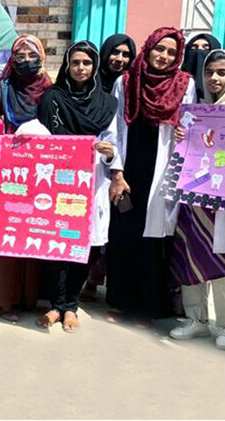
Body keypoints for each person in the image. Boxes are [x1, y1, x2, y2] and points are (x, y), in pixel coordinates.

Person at [169, 50, 225, 350]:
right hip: (196, 198)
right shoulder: (198, 113)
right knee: (191, 255)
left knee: (223, 263)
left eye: (222, 72)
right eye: (210, 73)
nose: (215, 78)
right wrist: (181, 133)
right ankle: (196, 319)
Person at [107, 27, 195, 322]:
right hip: (131, 166)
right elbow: (115, 127)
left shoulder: (185, 84)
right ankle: (121, 302)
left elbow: (191, 123)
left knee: (156, 238)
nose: (164, 56)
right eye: (160, 49)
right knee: (126, 232)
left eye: (171, 52)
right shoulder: (127, 81)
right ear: (149, 47)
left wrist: (187, 132)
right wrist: (117, 172)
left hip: (164, 169)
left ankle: (150, 305)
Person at [34, 41, 119, 332]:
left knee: (86, 246)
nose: (81, 68)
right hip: (58, 183)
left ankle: (72, 304)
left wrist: (109, 152)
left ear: (94, 67)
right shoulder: (52, 99)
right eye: (75, 63)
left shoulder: (107, 103)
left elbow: (114, 143)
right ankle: (57, 305)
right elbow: (40, 139)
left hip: (92, 182)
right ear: (67, 67)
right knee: (58, 243)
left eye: (87, 63)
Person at [0, 34, 52, 320]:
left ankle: (27, 299)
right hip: (5, 169)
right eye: (19, 56)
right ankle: (1, 300)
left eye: (32, 56)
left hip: (38, 173)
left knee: (31, 232)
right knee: (2, 232)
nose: (26, 61)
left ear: (42, 58)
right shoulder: (3, 87)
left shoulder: (50, 90)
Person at [81, 33, 137, 299]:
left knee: (116, 222)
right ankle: (87, 279)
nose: (120, 59)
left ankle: (101, 278)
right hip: (90, 163)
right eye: (115, 52)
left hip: (122, 162)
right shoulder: (89, 84)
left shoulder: (133, 85)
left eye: (126, 55)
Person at [180, 32, 221, 100]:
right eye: (193, 48)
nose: (199, 52)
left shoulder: (220, 83)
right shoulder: (175, 83)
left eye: (206, 49)